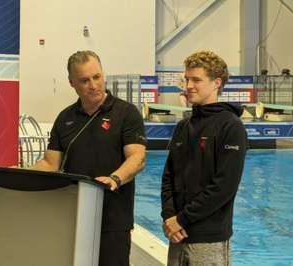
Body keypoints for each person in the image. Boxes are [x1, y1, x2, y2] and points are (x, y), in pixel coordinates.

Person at [31, 50, 146, 266]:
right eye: (84, 80)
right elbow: (50, 163)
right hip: (72, 217)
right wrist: (22, 173)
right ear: (72, 83)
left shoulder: (126, 113)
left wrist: (115, 178)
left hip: (112, 219)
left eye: (97, 77)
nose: (93, 85)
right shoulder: (65, 117)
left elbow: (137, 157)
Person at [161, 50, 247, 266]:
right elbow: (168, 177)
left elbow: (224, 186)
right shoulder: (183, 126)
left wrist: (181, 219)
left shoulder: (231, 126)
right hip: (177, 234)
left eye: (196, 80)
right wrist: (169, 217)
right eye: (187, 79)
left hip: (209, 237)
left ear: (216, 83)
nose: (188, 85)